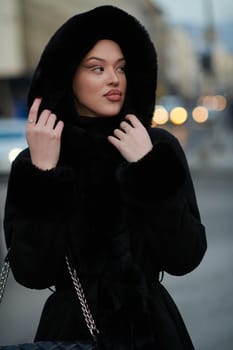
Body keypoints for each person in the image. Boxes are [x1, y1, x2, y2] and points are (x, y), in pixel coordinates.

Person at [3, 5, 207, 349]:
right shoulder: (39, 156)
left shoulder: (157, 146)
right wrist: (43, 173)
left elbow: (185, 256)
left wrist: (147, 168)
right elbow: (32, 272)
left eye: (122, 68)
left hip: (154, 330)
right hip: (70, 332)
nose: (115, 79)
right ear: (69, 76)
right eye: (97, 68)